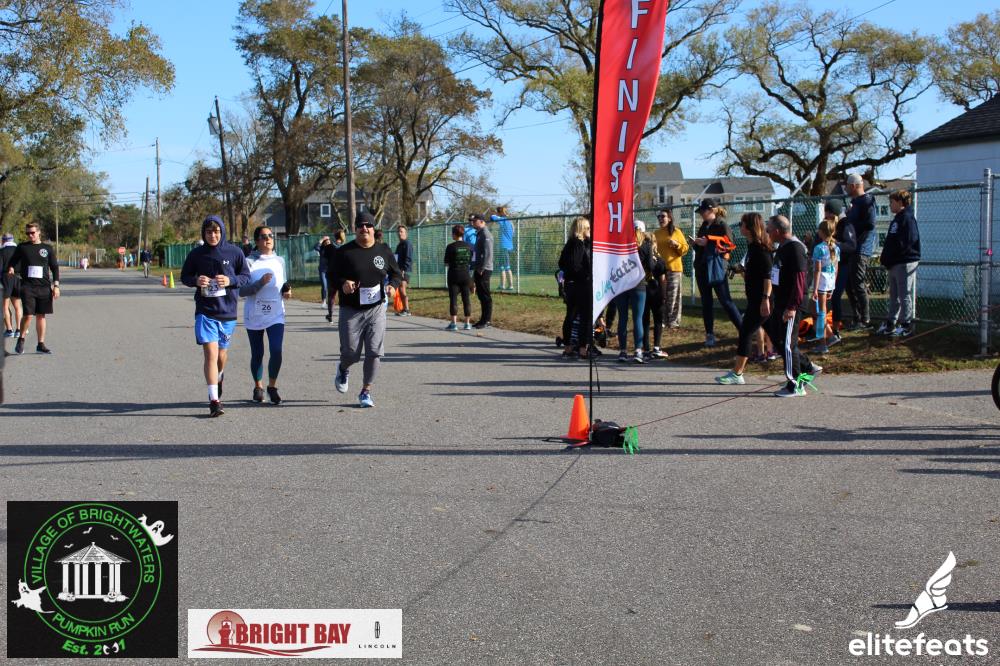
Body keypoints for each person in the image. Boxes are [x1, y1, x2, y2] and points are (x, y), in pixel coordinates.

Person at [180, 215, 251, 417]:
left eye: (216, 231)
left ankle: (219, 376)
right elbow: (185, 276)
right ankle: (214, 401)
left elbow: (246, 276)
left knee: (221, 356)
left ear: (222, 232)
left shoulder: (235, 252)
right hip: (206, 311)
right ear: (204, 233)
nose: (213, 235)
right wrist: (196, 280)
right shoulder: (196, 254)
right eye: (209, 232)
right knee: (210, 354)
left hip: (227, 311)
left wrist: (230, 280)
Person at [330, 210, 402, 408]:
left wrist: (393, 286)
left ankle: (365, 391)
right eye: (361, 225)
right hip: (351, 309)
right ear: (355, 229)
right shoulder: (344, 252)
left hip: (376, 309)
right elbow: (331, 275)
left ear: (373, 229)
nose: (365, 228)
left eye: (368, 225)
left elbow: (396, 274)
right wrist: (343, 283)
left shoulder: (383, 250)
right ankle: (343, 368)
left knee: (374, 351)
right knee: (351, 353)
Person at [764, 215, 822, 398]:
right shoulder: (782, 247)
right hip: (780, 301)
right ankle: (807, 367)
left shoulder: (795, 248)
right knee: (778, 339)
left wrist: (792, 307)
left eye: (769, 229)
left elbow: (799, 281)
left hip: (792, 304)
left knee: (788, 343)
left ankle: (795, 384)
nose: (767, 232)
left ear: (777, 231)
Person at [716, 213, 773, 385]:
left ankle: (737, 373)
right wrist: (741, 270)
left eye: (742, 224)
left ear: (749, 227)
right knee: (778, 337)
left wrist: (765, 299)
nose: (739, 226)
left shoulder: (761, 249)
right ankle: (806, 366)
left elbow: (768, 277)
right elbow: (754, 273)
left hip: (761, 301)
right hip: (754, 299)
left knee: (746, 332)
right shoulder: (752, 247)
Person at [240, 226, 291, 405]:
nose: (268, 239)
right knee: (258, 353)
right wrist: (260, 283)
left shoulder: (280, 261)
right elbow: (241, 291)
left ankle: (272, 386)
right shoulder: (248, 262)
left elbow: (284, 283)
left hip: (276, 314)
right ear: (257, 241)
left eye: (270, 235)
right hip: (255, 314)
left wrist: (286, 291)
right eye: (263, 236)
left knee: (276, 350)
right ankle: (258, 387)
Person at [692, 198, 742, 347]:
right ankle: (709, 334)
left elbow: (729, 245)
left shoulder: (722, 225)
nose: (701, 214)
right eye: (700, 211)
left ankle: (743, 330)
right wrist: (696, 243)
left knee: (726, 301)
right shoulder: (704, 225)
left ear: (712, 210)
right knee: (706, 302)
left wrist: (709, 243)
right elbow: (701, 247)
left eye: (703, 211)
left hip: (716, 268)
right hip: (702, 268)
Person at [7, 223, 59, 355]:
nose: (30, 235)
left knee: (41, 316)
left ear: (39, 232)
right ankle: (21, 338)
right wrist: (11, 267)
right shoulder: (22, 247)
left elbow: (54, 267)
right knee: (28, 315)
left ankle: (40, 344)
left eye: (32, 233)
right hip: (27, 286)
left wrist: (56, 286)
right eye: (28, 233)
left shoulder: (47, 248)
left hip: (44, 287)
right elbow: (12, 261)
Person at [877, 189, 920, 337]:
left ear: (900, 202)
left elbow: (909, 241)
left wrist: (895, 256)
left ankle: (906, 325)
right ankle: (891, 323)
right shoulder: (897, 219)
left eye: (892, 202)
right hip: (894, 263)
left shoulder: (907, 218)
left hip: (904, 262)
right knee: (894, 295)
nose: (890, 205)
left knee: (904, 294)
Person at [616, 220, 654, 363]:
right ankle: (638, 350)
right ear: (643, 231)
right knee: (638, 318)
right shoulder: (646, 245)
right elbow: (650, 265)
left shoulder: (622, 244)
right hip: (638, 283)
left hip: (622, 283)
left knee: (623, 317)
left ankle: (623, 351)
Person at [844, 174, 876, 330]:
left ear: (854, 186)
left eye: (847, 186)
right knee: (849, 284)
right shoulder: (854, 203)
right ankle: (857, 317)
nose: (845, 188)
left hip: (861, 248)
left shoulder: (867, 201)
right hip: (851, 248)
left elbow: (870, 224)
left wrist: (857, 238)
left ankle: (865, 319)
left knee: (858, 283)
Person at [557, 216, 592, 358]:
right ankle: (582, 349)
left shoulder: (569, 244)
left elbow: (561, 263)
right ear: (582, 229)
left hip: (571, 286)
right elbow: (575, 265)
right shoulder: (578, 244)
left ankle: (568, 347)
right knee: (584, 317)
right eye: (588, 228)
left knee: (570, 316)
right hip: (581, 285)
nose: (590, 230)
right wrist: (586, 275)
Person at [653, 209, 688, 329]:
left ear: (669, 218)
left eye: (663, 216)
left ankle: (673, 321)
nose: (660, 219)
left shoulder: (676, 231)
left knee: (673, 296)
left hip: (674, 268)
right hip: (660, 269)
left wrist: (677, 245)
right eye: (659, 217)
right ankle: (662, 320)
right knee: (661, 295)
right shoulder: (656, 233)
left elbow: (685, 248)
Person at [810, 219, 840, 355]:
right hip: (830, 281)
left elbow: (817, 270)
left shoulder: (819, 248)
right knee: (818, 311)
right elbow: (836, 268)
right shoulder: (836, 248)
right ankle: (830, 336)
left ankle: (822, 344)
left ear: (822, 232)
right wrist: (833, 287)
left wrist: (815, 289)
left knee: (821, 313)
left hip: (821, 282)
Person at [827, 198, 854, 344]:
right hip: (831, 265)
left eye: (828, 213)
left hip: (843, 265)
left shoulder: (845, 224)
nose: (826, 217)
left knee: (836, 295)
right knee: (830, 296)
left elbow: (851, 245)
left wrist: (836, 244)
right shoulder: (830, 224)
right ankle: (826, 329)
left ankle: (836, 330)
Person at [444, 224, 474, 330]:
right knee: (466, 299)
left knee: (453, 299)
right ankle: (467, 324)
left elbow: (446, 263)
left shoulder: (450, 247)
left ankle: (454, 324)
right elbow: (471, 261)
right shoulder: (469, 246)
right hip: (466, 275)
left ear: (454, 234)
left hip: (454, 275)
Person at [642, 240, 668, 359]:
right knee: (658, 320)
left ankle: (645, 348)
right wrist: (664, 295)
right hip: (656, 291)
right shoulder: (659, 260)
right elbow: (662, 280)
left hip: (643, 290)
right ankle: (656, 347)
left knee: (645, 320)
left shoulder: (641, 260)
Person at [471, 213, 493, 329]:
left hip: (484, 269)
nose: (473, 223)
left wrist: (482, 268)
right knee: (480, 295)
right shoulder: (479, 234)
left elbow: (488, 253)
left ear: (482, 221)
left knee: (485, 295)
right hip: (478, 268)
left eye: (475, 221)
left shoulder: (485, 234)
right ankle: (482, 320)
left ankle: (487, 320)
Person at [322, 229, 347, 323]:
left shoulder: (329, 247)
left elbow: (325, 260)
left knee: (331, 296)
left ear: (335, 236)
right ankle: (343, 316)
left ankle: (330, 316)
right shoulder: (346, 247)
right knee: (342, 295)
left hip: (331, 274)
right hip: (342, 275)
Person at [1, 233, 23, 339]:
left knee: (5, 306)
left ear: (3, 240)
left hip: (6, 278)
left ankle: (9, 330)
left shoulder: (1, 251)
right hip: (18, 278)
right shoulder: (19, 251)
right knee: (17, 305)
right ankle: (19, 329)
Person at [490, 206, 515, 290]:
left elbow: (492, 217)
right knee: (502, 266)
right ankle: (502, 285)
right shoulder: (510, 222)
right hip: (509, 246)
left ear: (499, 213)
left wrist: (497, 215)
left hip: (504, 246)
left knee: (506, 266)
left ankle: (510, 285)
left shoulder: (502, 220)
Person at [394, 225, 413, 316]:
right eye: (398, 231)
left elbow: (408, 258)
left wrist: (404, 269)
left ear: (406, 233)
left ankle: (407, 310)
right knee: (400, 289)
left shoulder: (407, 244)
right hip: (399, 270)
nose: (399, 233)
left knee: (402, 288)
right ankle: (404, 309)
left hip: (405, 270)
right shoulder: (399, 245)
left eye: (401, 231)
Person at [315, 235, 332, 313]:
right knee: (324, 286)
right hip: (323, 271)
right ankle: (324, 302)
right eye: (326, 242)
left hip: (330, 271)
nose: (327, 243)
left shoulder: (333, 249)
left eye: (329, 242)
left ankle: (330, 302)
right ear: (324, 243)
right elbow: (315, 247)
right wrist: (322, 239)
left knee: (330, 287)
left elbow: (339, 247)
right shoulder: (321, 249)